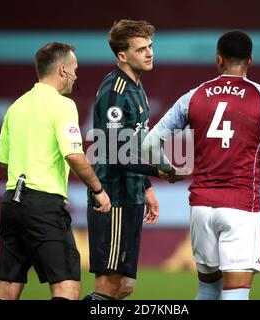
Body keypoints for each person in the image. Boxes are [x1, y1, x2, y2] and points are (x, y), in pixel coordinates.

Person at [143, 31, 260, 300]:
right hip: (241, 207)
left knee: (207, 289)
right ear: (250, 60)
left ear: (218, 59)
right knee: (235, 293)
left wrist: (167, 169)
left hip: (201, 207)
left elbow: (148, 144)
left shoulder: (193, 97)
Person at [0, 42, 111, 300]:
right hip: (43, 206)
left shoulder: (15, 107)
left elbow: (5, 162)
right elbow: (74, 156)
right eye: (75, 69)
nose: (76, 76)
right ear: (62, 70)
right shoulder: (62, 105)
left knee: (8, 285)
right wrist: (98, 190)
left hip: (11, 204)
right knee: (67, 284)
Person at [83, 20, 181, 301]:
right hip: (113, 197)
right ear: (122, 56)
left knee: (124, 286)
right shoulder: (116, 92)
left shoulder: (137, 87)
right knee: (109, 284)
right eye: (141, 49)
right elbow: (115, 153)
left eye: (150, 47)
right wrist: (160, 172)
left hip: (132, 193)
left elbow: (135, 146)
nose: (150, 53)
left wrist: (147, 186)